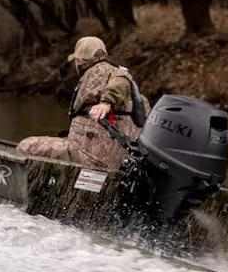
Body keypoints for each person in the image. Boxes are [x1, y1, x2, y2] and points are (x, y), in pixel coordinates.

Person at [16, 36, 145, 171]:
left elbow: (120, 81)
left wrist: (107, 103)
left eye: (76, 60)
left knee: (26, 146)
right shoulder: (116, 73)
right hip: (114, 159)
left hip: (92, 158)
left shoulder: (102, 71)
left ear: (80, 60)